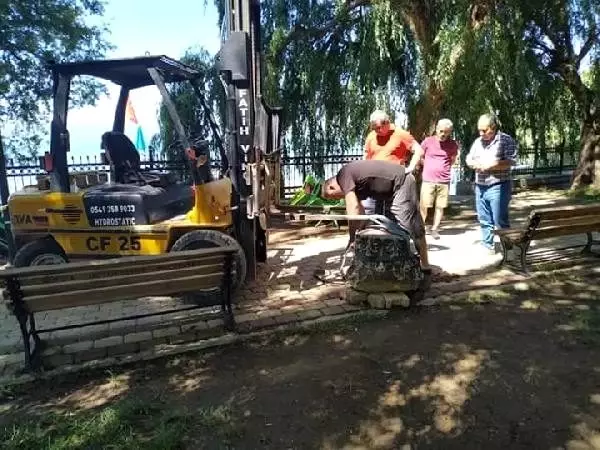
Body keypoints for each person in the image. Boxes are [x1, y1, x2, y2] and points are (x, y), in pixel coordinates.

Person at [321, 160, 430, 271]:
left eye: (333, 197)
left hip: (401, 182)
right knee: (390, 228)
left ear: (331, 187)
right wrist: (360, 232)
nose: (337, 199)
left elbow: (353, 208)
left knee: (410, 225)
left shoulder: (343, 176)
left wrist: (352, 236)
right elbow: (360, 211)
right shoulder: (352, 182)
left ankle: (425, 265)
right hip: (391, 188)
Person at [466, 113, 518, 253]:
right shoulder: (478, 142)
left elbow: (510, 161)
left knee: (500, 219)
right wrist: (472, 163)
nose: (481, 133)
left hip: (498, 185)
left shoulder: (506, 140)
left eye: (484, 130)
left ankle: (508, 248)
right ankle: (487, 245)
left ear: (493, 128)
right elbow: (469, 158)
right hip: (480, 185)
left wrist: (491, 165)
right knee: (483, 218)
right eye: (479, 130)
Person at [362, 110, 424, 215]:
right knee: (370, 212)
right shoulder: (371, 136)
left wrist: (410, 167)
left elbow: (419, 150)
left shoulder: (400, 134)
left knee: (392, 213)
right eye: (373, 128)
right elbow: (366, 155)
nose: (376, 130)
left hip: (393, 181)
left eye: (378, 127)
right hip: (373, 181)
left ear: (387, 123)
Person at [419, 118, 460, 239]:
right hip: (428, 180)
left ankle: (434, 229)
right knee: (424, 206)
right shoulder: (428, 141)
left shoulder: (452, 144)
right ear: (436, 129)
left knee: (440, 206)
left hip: (444, 180)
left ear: (450, 132)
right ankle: (420, 228)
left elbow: (452, 160)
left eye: (446, 132)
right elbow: (420, 156)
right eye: (441, 131)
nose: (443, 134)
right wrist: (427, 165)